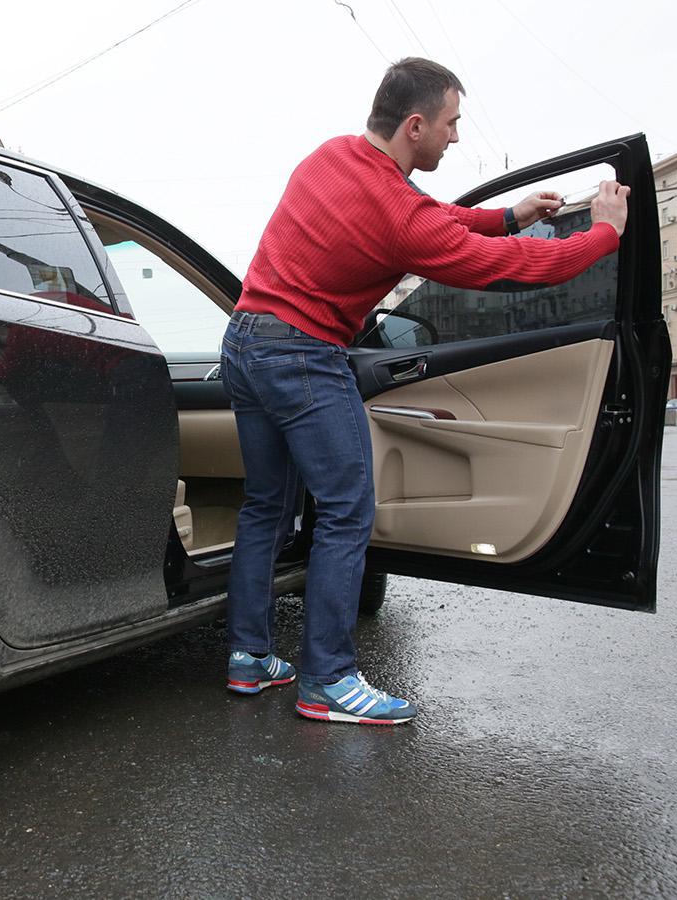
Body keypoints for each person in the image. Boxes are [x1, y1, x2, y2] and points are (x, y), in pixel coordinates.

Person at [220, 57, 630, 725]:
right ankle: (326, 681)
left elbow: (427, 216)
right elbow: (509, 269)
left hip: (244, 340)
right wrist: (603, 234)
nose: (456, 137)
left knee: (265, 505)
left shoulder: (334, 156)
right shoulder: (395, 211)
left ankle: (248, 657)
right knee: (348, 511)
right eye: (451, 123)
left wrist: (506, 213)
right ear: (416, 126)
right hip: (301, 354)